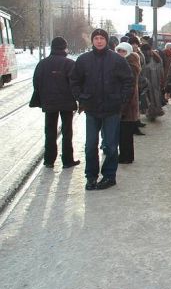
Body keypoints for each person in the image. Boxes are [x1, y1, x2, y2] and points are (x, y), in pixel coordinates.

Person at [70, 28, 133, 190]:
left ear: (106, 41)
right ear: (92, 41)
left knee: (111, 146)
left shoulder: (117, 60)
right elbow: (74, 80)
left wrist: (121, 100)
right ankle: (91, 176)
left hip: (112, 109)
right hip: (91, 108)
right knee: (90, 145)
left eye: (102, 38)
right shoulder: (83, 60)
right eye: (96, 38)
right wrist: (81, 97)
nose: (99, 41)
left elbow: (128, 81)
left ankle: (109, 176)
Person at [31, 36, 80, 169]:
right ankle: (67, 160)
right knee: (67, 131)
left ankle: (49, 160)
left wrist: (44, 96)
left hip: (49, 102)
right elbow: (75, 83)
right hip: (67, 103)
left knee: (50, 130)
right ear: (65, 47)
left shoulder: (42, 64)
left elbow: (36, 82)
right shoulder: (69, 64)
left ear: (52, 47)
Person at [115, 42, 140, 164]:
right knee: (124, 132)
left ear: (128, 52)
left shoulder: (129, 65)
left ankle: (126, 157)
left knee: (125, 132)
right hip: (126, 102)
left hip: (127, 103)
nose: (120, 53)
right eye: (118, 51)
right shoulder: (128, 63)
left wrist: (123, 105)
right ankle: (126, 155)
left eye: (123, 51)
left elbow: (128, 87)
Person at [140, 43, 165, 120]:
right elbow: (161, 70)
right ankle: (155, 111)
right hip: (156, 81)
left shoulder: (145, 57)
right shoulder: (157, 56)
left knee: (149, 96)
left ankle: (151, 113)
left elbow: (142, 70)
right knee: (155, 96)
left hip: (148, 81)